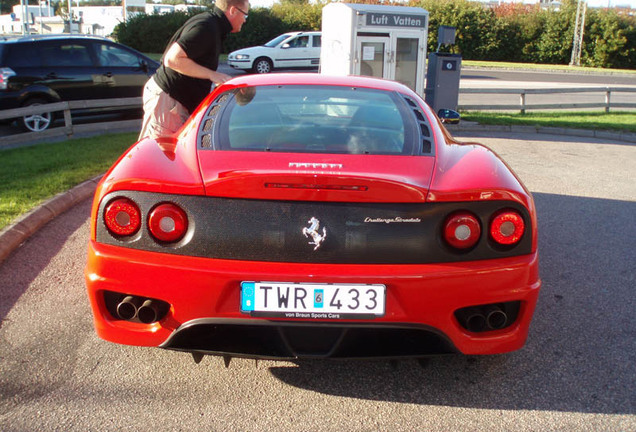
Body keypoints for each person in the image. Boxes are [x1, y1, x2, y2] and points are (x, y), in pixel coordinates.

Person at [139, 0, 250, 140]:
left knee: (175, 154)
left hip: (176, 100)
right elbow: (172, 59)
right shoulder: (206, 27)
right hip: (170, 99)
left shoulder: (213, 26)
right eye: (245, 15)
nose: (245, 20)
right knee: (162, 154)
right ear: (233, 10)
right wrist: (212, 75)